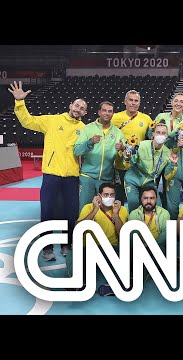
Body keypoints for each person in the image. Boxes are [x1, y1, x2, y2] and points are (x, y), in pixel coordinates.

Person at [8, 81, 86, 260]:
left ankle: (67, 244)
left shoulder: (84, 129)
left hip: (72, 176)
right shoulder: (52, 121)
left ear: (84, 112)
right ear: (70, 106)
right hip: (51, 174)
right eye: (76, 105)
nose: (78, 109)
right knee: (48, 211)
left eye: (82, 108)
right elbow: (28, 121)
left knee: (71, 212)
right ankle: (47, 248)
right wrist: (20, 102)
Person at [66, 182, 128, 293]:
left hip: (110, 248)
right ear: (99, 196)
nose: (109, 197)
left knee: (127, 255)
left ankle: (115, 285)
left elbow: (123, 235)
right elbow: (78, 228)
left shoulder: (121, 209)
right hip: (89, 248)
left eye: (112, 195)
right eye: (105, 195)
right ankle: (79, 283)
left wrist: (116, 215)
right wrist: (95, 210)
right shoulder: (88, 207)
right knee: (74, 253)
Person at [74, 101, 126, 212]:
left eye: (110, 111)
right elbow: (77, 151)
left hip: (106, 179)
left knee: (105, 212)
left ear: (113, 114)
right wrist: (90, 142)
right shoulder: (88, 129)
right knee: (84, 210)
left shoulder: (118, 133)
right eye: (104, 110)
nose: (107, 113)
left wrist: (122, 149)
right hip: (87, 177)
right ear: (99, 112)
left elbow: (126, 157)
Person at [123, 122, 178, 212]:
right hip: (133, 179)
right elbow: (128, 165)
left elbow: (167, 176)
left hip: (149, 182)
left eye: (163, 133)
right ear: (153, 134)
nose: (160, 135)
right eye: (158, 132)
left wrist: (173, 164)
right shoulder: (141, 145)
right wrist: (127, 157)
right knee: (134, 203)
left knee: (157, 207)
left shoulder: (168, 153)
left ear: (167, 135)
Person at [111, 90, 153, 205]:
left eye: (136, 101)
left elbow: (151, 140)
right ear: (125, 101)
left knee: (138, 199)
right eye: (130, 100)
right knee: (119, 198)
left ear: (139, 103)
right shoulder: (115, 118)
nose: (133, 103)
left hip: (138, 166)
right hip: (120, 165)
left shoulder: (146, 119)